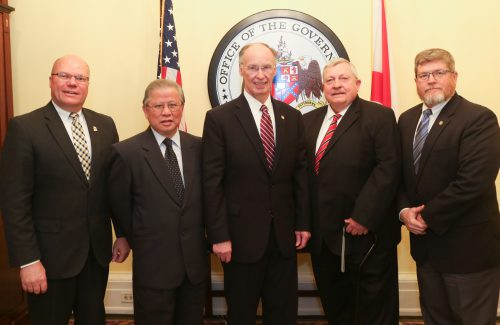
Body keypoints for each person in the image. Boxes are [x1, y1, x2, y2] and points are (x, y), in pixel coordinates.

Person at [0, 55, 130, 325]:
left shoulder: (105, 125)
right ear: (51, 80)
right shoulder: (25, 128)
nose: (72, 83)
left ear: (87, 84)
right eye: (64, 76)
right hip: (48, 260)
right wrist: (28, 261)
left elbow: (113, 188)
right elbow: (14, 202)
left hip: (96, 255)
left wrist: (123, 234)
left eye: (80, 78)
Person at [202, 42, 310, 325]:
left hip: (283, 239)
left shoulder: (292, 117)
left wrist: (303, 223)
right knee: (241, 314)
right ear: (241, 70)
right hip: (238, 241)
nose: (260, 74)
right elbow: (212, 183)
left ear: (275, 71)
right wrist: (219, 236)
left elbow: (300, 176)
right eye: (253, 67)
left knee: (283, 314)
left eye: (265, 67)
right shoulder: (219, 119)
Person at [398, 48, 500, 325]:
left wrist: (425, 217)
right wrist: (404, 211)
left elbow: (473, 182)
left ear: (454, 77)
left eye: (439, 73)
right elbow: (401, 177)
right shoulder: (406, 120)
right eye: (423, 75)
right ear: (416, 81)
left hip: (468, 252)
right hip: (426, 251)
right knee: (436, 319)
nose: (431, 80)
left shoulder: (478, 119)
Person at [303, 58, 400, 324]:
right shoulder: (307, 122)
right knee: (337, 308)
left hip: (366, 235)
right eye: (330, 80)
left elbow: (388, 169)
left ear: (357, 84)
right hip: (323, 238)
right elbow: (303, 175)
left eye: (343, 79)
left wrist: (363, 216)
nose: (336, 85)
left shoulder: (379, 116)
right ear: (322, 87)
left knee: (371, 311)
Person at [108, 79, 208, 325]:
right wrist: (132, 237)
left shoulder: (201, 147)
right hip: (153, 266)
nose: (166, 112)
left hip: (193, 267)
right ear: (145, 110)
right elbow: (120, 206)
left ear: (182, 107)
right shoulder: (126, 152)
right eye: (158, 106)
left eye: (173, 105)